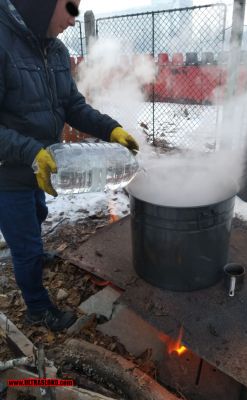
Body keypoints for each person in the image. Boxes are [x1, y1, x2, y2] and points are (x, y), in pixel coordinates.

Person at [0, 0, 139, 331]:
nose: (74, 21)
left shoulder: (56, 51)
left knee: (37, 215)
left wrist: (111, 128)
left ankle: (34, 256)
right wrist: (31, 151)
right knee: (25, 245)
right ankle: (37, 308)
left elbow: (73, 106)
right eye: (71, 8)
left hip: (42, 163)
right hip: (7, 168)